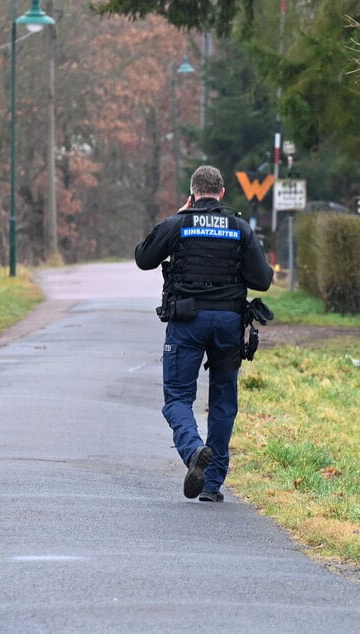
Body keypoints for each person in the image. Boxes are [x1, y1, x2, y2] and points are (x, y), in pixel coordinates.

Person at [135, 165, 274, 502]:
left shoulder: (179, 224)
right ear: (222, 193)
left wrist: (179, 214)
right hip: (228, 323)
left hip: (187, 323)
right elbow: (263, 280)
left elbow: (144, 258)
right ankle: (212, 485)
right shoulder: (240, 228)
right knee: (224, 401)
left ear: (193, 193)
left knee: (178, 398)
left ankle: (194, 449)